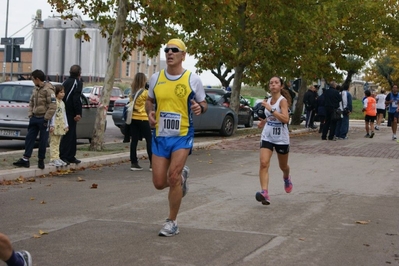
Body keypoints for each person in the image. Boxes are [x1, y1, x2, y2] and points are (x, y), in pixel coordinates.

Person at [145, 38, 208, 236]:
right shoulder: (156, 78)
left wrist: (200, 107)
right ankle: (182, 178)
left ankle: (172, 222)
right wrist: (150, 113)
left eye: (174, 50)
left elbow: (203, 103)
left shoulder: (192, 79)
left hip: (182, 135)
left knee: (172, 178)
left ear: (183, 55)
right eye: (167, 50)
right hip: (160, 135)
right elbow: (149, 100)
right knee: (158, 182)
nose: (169, 53)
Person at [255, 76, 293, 205]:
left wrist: (271, 109)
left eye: (276, 83)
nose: (273, 85)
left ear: (281, 86)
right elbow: (270, 116)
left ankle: (286, 177)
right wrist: (264, 122)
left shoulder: (283, 101)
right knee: (263, 163)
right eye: (271, 83)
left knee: (283, 166)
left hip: (281, 138)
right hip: (267, 136)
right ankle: (264, 193)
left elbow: (285, 119)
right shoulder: (268, 100)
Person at [13, 69, 56, 169]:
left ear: (37, 79)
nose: (32, 80)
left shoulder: (48, 90)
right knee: (29, 138)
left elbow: (53, 106)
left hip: (43, 119)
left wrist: (46, 118)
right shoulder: (35, 89)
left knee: (43, 140)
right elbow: (31, 102)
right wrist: (30, 114)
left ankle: (41, 160)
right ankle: (25, 159)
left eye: (33, 79)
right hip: (34, 117)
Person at [128, 73, 152, 171]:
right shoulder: (145, 93)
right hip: (143, 118)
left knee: (134, 141)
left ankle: (134, 163)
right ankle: (152, 163)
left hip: (133, 119)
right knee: (149, 140)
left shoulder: (132, 93)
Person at [60, 65, 83, 165]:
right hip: (70, 112)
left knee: (72, 135)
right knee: (69, 134)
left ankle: (70, 156)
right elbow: (76, 99)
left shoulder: (65, 82)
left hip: (64, 111)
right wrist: (78, 113)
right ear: (79, 73)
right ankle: (64, 155)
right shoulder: (77, 83)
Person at [49, 85, 69, 167]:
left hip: (61, 125)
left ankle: (57, 157)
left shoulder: (62, 103)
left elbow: (64, 114)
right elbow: (52, 114)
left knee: (58, 142)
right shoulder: (54, 103)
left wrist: (66, 124)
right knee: (53, 142)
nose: (63, 94)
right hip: (55, 125)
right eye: (61, 92)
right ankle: (53, 158)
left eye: (63, 92)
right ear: (56, 93)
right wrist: (52, 124)